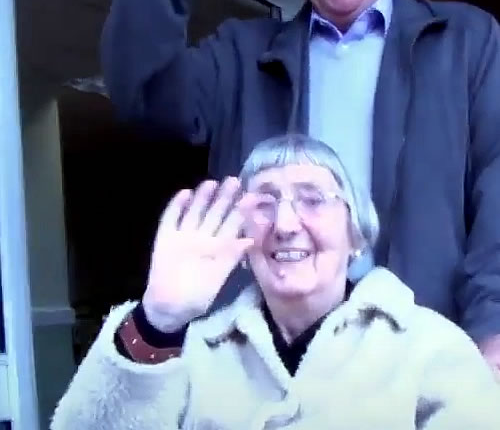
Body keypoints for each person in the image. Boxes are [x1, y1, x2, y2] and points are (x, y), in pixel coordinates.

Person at [101, 0, 500, 369]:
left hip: (423, 355)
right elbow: (142, 96)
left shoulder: (468, 42)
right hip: (272, 364)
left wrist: (493, 332)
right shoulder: (245, 55)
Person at [50, 135, 499, 430]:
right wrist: (157, 320)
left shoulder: (432, 347)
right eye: (264, 202)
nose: (285, 223)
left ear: (356, 235)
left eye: (312, 199)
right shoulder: (192, 352)